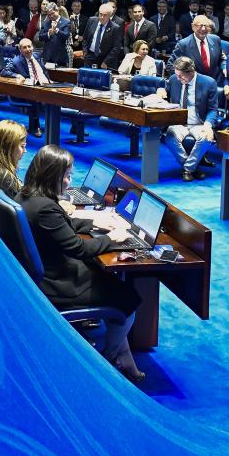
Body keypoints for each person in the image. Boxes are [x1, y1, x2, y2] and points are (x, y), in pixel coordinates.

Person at [16, 145, 145, 383]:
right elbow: (79, 248)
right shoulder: (46, 208)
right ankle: (104, 363)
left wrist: (96, 226)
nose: (68, 181)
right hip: (58, 285)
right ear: (51, 175)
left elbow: (61, 228)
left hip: (45, 275)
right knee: (129, 299)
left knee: (112, 283)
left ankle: (125, 356)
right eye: (66, 176)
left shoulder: (27, 196)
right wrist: (112, 238)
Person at [158, 56, 219, 181]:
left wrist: (208, 125)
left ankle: (188, 169)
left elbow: (213, 109)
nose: (178, 78)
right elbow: (164, 94)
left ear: (191, 72)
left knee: (206, 137)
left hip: (199, 123)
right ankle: (193, 168)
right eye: (177, 75)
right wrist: (160, 90)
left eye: (181, 76)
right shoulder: (174, 79)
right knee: (170, 137)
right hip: (179, 123)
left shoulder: (208, 82)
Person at [3, 38, 51, 136]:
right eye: (24, 47)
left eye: (29, 46)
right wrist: (17, 75)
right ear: (20, 50)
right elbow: (4, 72)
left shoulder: (37, 56)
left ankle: (75, 126)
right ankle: (36, 126)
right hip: (29, 90)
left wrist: (49, 81)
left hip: (46, 86)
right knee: (35, 96)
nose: (28, 49)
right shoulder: (16, 61)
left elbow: (44, 72)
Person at [83, 4, 124, 70]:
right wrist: (85, 52)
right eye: (100, 14)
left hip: (104, 59)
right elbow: (85, 38)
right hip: (89, 57)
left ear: (110, 16)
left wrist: (106, 62)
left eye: (105, 15)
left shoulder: (115, 28)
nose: (102, 17)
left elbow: (116, 48)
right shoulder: (91, 20)